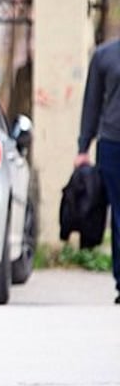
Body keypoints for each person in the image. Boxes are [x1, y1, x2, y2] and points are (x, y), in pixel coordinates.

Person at [73, 37, 120, 304]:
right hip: (113, 144)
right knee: (118, 214)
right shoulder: (105, 55)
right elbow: (91, 103)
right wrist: (83, 147)